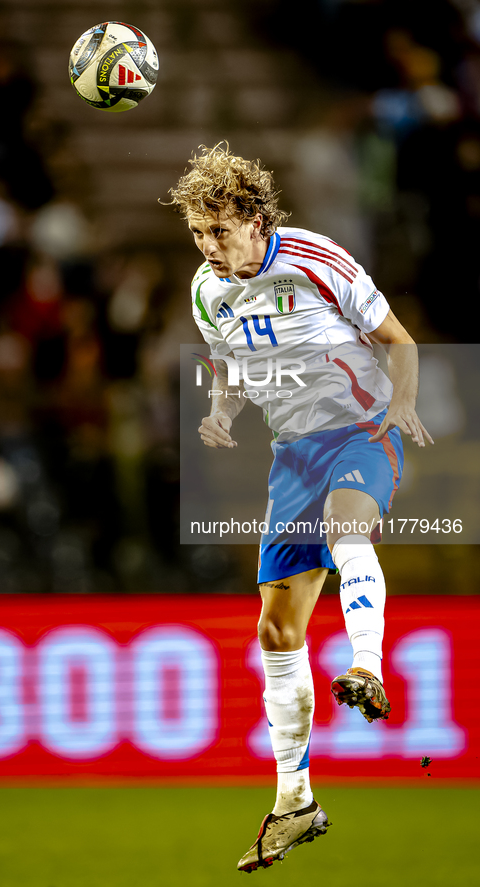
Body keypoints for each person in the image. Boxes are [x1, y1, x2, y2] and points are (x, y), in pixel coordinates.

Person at [164, 143, 433, 873]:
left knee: (347, 530)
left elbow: (396, 340)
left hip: (359, 432)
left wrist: (400, 404)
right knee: (275, 629)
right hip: (292, 458)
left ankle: (368, 666)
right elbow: (229, 364)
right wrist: (221, 408)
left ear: (254, 219)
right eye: (197, 234)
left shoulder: (317, 258)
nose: (209, 247)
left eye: (219, 231)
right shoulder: (206, 291)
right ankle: (295, 800)